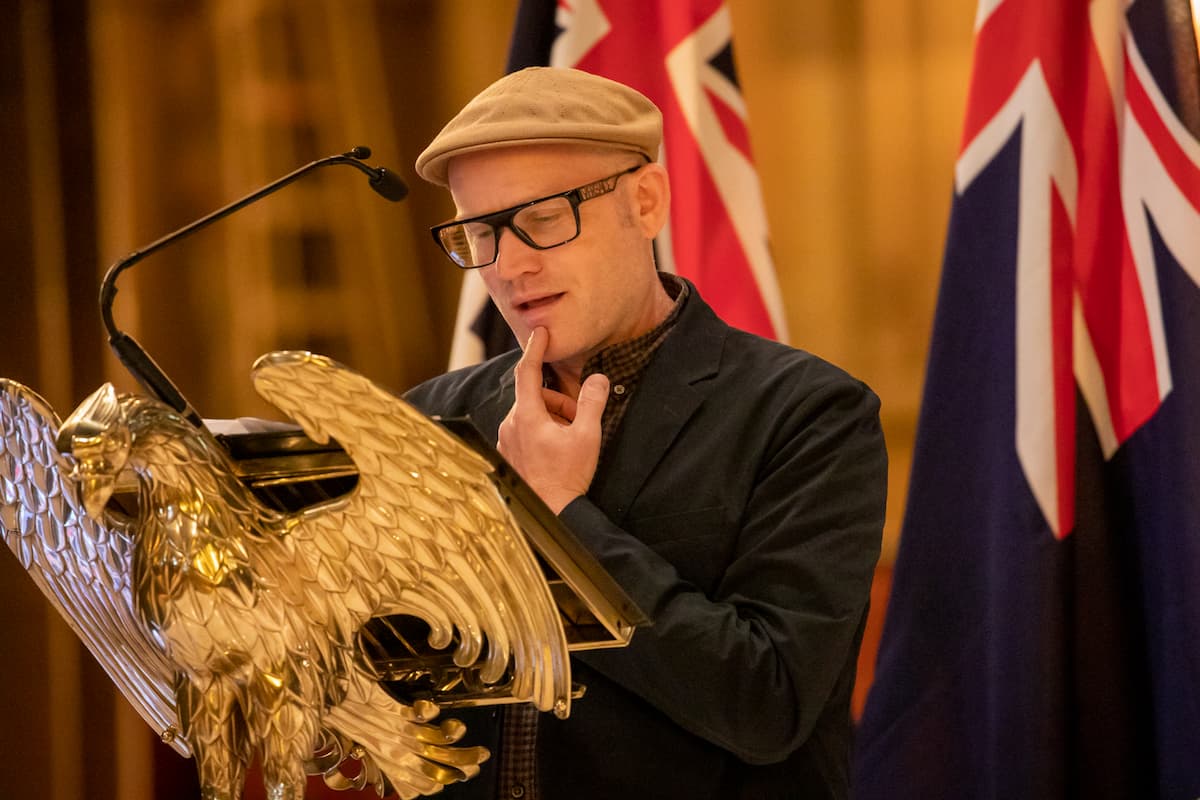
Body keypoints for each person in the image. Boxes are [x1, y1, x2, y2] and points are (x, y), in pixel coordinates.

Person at [404, 66, 887, 800]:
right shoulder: (430, 421)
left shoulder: (808, 413)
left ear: (647, 201)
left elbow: (768, 703)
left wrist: (559, 516)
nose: (510, 266)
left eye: (542, 219)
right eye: (480, 234)